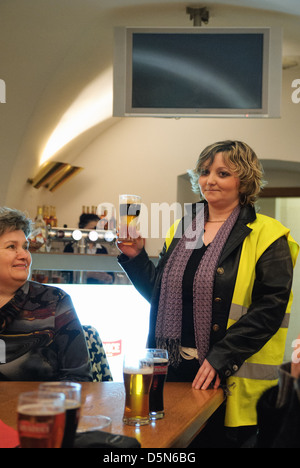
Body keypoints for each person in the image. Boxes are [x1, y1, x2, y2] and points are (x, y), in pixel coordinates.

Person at [117, 140, 299, 447]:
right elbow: (162, 299)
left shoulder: (269, 234)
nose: (209, 180)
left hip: (227, 372)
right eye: (204, 171)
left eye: (223, 172)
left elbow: (270, 309)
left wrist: (219, 359)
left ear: (244, 180)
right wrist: (136, 258)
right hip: (171, 367)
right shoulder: (181, 230)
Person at [0, 206, 93, 381]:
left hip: (42, 407)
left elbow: (79, 378)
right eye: (12, 247)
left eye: (25, 247)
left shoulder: (55, 301)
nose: (24, 255)